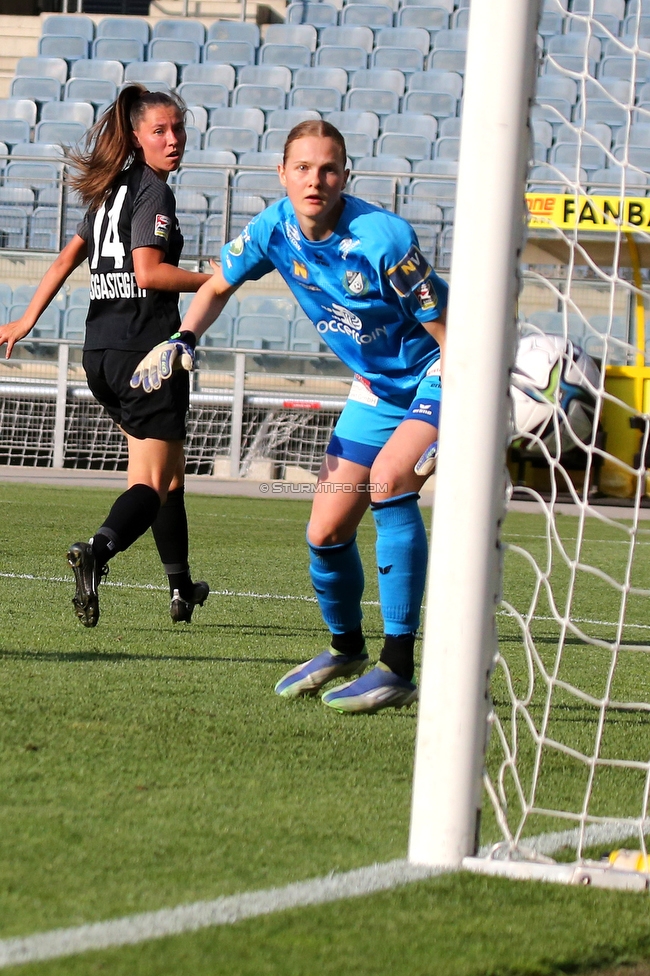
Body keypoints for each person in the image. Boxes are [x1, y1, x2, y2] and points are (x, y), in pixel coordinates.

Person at [131, 120, 448, 713]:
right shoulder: (273, 228)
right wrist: (184, 338)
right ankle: (347, 650)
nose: (315, 180)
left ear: (345, 175)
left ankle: (398, 667)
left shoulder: (384, 239)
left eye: (328, 168)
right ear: (282, 174)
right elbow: (217, 286)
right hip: (378, 387)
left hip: (439, 373)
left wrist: (462, 421)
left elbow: (453, 337)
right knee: (325, 532)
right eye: (302, 168)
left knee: (388, 481)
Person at [0, 85, 214, 628]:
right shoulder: (152, 193)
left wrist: (26, 320)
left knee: (170, 474)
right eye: (160, 131)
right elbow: (149, 273)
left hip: (100, 355)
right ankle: (97, 549)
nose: (173, 140)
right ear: (137, 137)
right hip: (145, 354)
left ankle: (181, 589)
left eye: (178, 129)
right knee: (152, 484)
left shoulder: (107, 192)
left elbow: (62, 262)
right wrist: (215, 280)